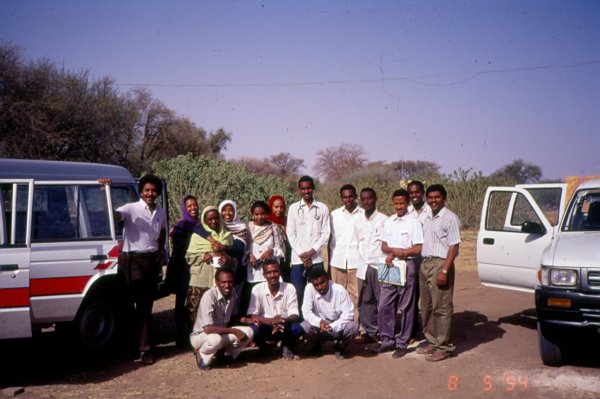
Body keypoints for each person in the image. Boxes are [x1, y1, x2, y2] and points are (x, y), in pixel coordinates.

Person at [98, 174, 167, 365]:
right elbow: (113, 215)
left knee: (146, 306)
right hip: (133, 261)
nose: (150, 194)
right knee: (133, 303)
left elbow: (161, 232)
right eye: (147, 190)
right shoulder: (131, 208)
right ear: (141, 191)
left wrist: (161, 251)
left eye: (153, 190)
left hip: (151, 261)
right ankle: (134, 347)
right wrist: (105, 192)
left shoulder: (160, 212)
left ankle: (144, 349)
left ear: (158, 193)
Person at [375, 189, 423, 359]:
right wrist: (394, 251)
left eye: (402, 203)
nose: (399, 206)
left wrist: (404, 252)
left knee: (406, 306)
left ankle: (403, 342)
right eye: (396, 203)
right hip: (390, 264)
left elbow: (418, 248)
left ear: (407, 202)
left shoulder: (414, 222)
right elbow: (383, 246)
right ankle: (387, 339)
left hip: (407, 264)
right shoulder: (389, 221)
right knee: (384, 304)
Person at [416, 184, 461, 362]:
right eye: (431, 198)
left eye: (437, 197)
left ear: (444, 198)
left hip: (440, 264)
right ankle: (432, 341)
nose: (433, 201)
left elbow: (454, 245)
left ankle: (444, 347)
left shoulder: (449, 218)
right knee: (426, 306)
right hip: (425, 263)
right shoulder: (426, 217)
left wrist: (444, 270)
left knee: (441, 307)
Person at [190, 268, 254, 370]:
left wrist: (248, 321)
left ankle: (222, 354)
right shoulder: (209, 296)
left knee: (249, 332)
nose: (227, 285)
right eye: (223, 282)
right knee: (216, 339)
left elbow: (233, 316)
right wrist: (234, 331)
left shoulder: (233, 293)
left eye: (230, 282)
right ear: (216, 282)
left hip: (220, 333)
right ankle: (201, 354)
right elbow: (207, 329)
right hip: (202, 336)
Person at [242, 258, 303, 360]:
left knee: (297, 328)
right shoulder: (257, 289)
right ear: (264, 275)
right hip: (266, 327)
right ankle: (264, 346)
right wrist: (271, 321)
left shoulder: (289, 288)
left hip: (284, 326)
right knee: (253, 329)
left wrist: (282, 320)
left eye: (275, 271)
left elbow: (294, 314)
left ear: (280, 272)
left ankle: (286, 345)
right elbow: (253, 314)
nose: (273, 275)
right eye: (269, 272)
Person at [185, 206, 233, 334]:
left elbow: (234, 259)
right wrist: (202, 256)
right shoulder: (197, 237)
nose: (213, 221)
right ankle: (195, 338)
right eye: (209, 219)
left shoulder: (227, 236)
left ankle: (217, 338)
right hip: (200, 279)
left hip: (220, 282)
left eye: (216, 218)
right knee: (195, 310)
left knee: (217, 311)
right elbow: (189, 258)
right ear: (204, 220)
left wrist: (227, 259)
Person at [286, 176, 330, 307]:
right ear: (299, 190)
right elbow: (290, 234)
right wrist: (303, 255)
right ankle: (299, 323)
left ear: (313, 188)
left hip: (316, 259)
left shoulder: (322, 208)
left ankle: (318, 322)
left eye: (309, 188)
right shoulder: (294, 208)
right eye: (303, 188)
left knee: (318, 292)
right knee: (298, 292)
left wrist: (311, 252)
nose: (306, 191)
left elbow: (325, 233)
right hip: (298, 260)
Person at [300, 267, 359, 360]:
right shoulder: (309, 289)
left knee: (353, 327)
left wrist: (333, 326)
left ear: (328, 279)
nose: (320, 287)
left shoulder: (339, 290)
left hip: (337, 327)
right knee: (304, 326)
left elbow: (348, 314)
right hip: (319, 327)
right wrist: (319, 322)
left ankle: (340, 346)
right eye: (316, 285)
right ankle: (316, 345)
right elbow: (306, 312)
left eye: (322, 283)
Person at [353, 187, 387, 343]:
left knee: (383, 300)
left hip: (380, 265)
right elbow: (355, 243)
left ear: (375, 199)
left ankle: (385, 330)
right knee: (366, 300)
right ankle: (371, 331)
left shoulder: (384, 220)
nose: (366, 202)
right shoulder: (358, 220)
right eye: (363, 199)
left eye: (369, 198)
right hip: (363, 266)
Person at [166, 195, 201, 347]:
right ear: (184, 209)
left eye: (195, 206)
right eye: (189, 206)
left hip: (197, 267)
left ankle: (194, 333)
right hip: (183, 268)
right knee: (182, 300)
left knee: (196, 300)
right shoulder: (180, 226)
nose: (193, 208)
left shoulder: (201, 225)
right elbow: (179, 250)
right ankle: (180, 336)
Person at [243, 200, 285, 313]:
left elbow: (281, 250)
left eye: (262, 214)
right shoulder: (247, 228)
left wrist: (272, 251)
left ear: (267, 214)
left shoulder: (273, 228)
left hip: (270, 273)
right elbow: (242, 247)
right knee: (253, 303)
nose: (260, 217)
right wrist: (249, 255)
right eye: (256, 214)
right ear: (252, 215)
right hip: (253, 273)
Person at [329, 184, 362, 321]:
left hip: (356, 260)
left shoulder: (363, 214)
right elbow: (329, 238)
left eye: (350, 197)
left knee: (356, 294)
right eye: (345, 197)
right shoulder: (334, 215)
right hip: (337, 259)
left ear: (355, 196)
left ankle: (355, 325)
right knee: (338, 293)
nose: (348, 200)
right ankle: (340, 324)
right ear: (341, 198)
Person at [407, 180, 430, 342]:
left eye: (417, 192)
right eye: (411, 193)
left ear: (423, 193)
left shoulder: (431, 211)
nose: (414, 196)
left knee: (429, 298)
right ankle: (413, 332)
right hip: (412, 260)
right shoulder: (406, 212)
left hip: (428, 260)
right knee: (412, 297)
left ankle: (431, 332)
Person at [219, 199, 252, 310]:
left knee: (236, 300)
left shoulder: (242, 228)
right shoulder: (217, 227)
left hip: (238, 270)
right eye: (224, 210)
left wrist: (224, 248)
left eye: (230, 210)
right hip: (220, 269)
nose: (227, 213)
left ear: (235, 211)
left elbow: (240, 247)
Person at [268, 195, 291, 282]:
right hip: (275, 260)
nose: (279, 210)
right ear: (271, 207)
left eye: (281, 207)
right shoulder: (268, 223)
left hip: (288, 260)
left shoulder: (288, 221)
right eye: (276, 207)